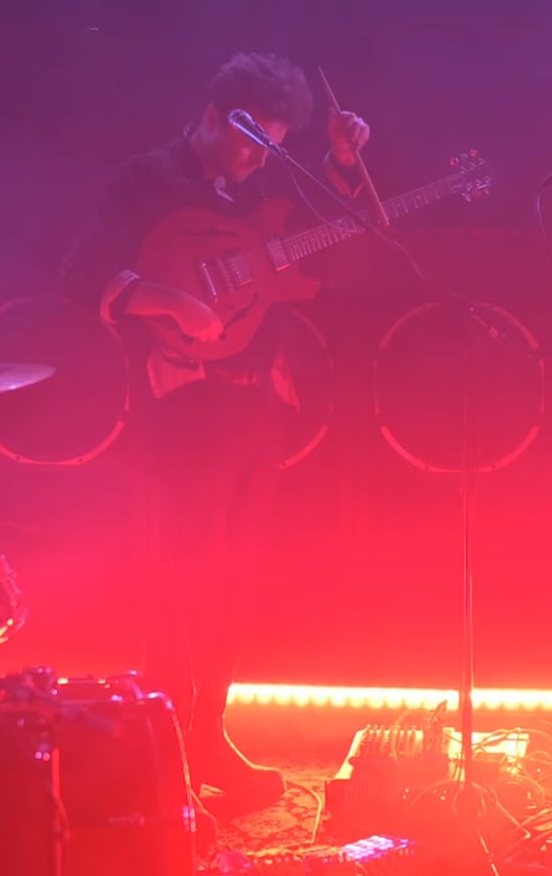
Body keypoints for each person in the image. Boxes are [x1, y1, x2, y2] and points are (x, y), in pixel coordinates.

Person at [61, 53, 375, 812]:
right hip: (183, 411)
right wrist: (168, 300)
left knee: (235, 582)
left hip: (255, 407)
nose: (256, 159)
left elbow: (336, 249)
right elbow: (81, 276)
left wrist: (341, 164)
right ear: (211, 118)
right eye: (248, 142)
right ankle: (164, 754)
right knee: (182, 581)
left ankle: (209, 736)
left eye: (270, 147)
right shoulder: (147, 179)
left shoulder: (265, 189)